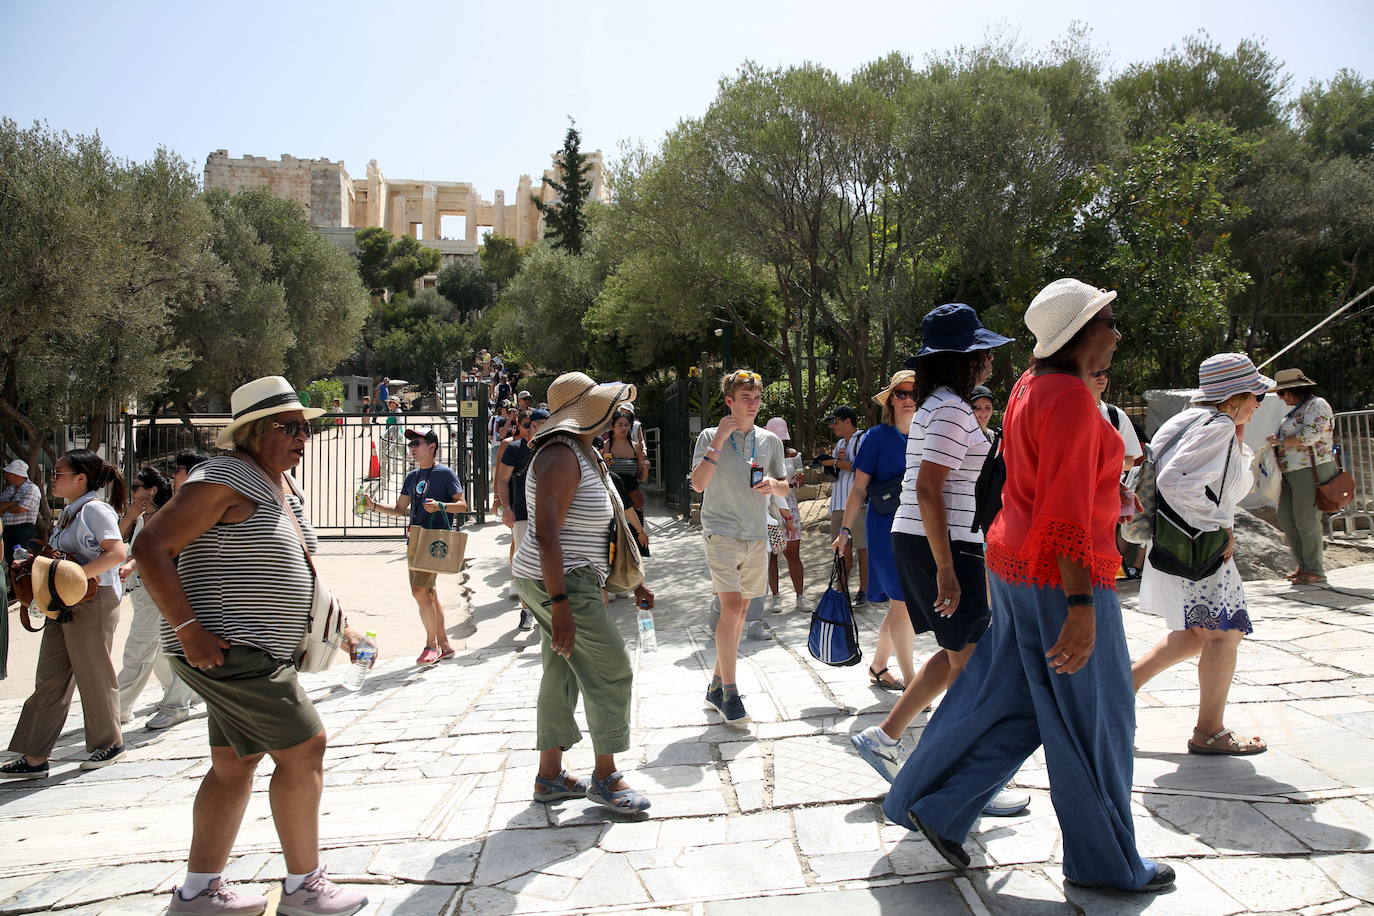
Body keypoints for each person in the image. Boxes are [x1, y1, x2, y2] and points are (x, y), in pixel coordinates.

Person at [883, 279, 1174, 893]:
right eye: (1108, 321)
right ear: (1077, 334)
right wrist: (1079, 604)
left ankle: (935, 803)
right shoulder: (1067, 396)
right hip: (1057, 574)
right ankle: (1107, 864)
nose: (1116, 334)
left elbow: (1046, 483)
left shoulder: (1029, 385)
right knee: (1099, 717)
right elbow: (1064, 510)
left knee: (1016, 704)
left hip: (1015, 562)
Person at [134, 376, 369, 915]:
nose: (302, 438)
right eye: (289, 427)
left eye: (304, 428)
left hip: (246, 649)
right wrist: (189, 629)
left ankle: (198, 893)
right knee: (306, 747)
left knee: (233, 766)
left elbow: (299, 570)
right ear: (255, 432)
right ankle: (304, 887)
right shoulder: (227, 477)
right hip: (229, 650)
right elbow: (150, 544)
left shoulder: (279, 486)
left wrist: (344, 628)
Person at [850, 306, 1028, 818]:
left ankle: (885, 737)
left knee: (960, 656)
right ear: (962, 359)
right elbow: (929, 489)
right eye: (981, 350)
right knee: (976, 672)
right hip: (945, 544)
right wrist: (947, 568)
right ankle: (963, 781)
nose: (990, 358)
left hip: (937, 540)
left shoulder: (937, 404)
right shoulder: (950, 409)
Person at [510, 371, 656, 813]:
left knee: (563, 670)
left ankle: (549, 776)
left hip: (564, 578)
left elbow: (604, 524)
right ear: (588, 411)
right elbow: (548, 535)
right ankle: (605, 776)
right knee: (611, 670)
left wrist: (634, 580)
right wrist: (561, 608)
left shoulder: (584, 452)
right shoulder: (560, 456)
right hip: (561, 581)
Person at [1133, 353, 1271, 756]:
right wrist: (1219, 523)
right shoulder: (1219, 426)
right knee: (1225, 633)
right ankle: (1209, 731)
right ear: (1235, 397)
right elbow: (1177, 482)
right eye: (1255, 394)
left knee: (1194, 634)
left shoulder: (1184, 420)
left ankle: (1121, 689)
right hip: (1201, 546)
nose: (1259, 403)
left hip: (1174, 543)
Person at [1, 449, 128, 779]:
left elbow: (116, 552)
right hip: (65, 601)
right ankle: (34, 758)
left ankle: (109, 742)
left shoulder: (95, 509)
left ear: (80, 478)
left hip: (92, 600)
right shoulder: (73, 511)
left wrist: (74, 578)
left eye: (58, 473)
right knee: (50, 676)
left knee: (93, 672)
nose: (52, 478)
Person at [690, 369, 790, 725]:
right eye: (745, 398)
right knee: (730, 609)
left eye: (757, 398)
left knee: (742, 613)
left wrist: (773, 487)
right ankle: (731, 694)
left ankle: (716, 684)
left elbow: (784, 485)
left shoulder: (769, 441)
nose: (753, 404)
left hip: (757, 532)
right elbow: (698, 485)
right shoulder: (708, 436)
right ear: (730, 401)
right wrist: (720, 438)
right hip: (720, 531)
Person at [831, 372, 917, 692]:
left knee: (900, 604)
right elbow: (858, 489)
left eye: (915, 393)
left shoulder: (926, 435)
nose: (909, 399)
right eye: (902, 394)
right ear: (891, 400)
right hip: (885, 529)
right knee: (903, 603)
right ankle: (912, 682)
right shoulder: (876, 438)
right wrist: (844, 530)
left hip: (919, 530)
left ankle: (879, 666)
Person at [367, 427, 469, 666]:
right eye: (411, 444)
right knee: (428, 592)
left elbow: (463, 505)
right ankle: (444, 645)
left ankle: (430, 646)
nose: (412, 447)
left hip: (433, 539)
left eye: (418, 443)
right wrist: (373, 506)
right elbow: (399, 509)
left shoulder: (445, 473)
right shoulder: (412, 477)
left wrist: (441, 506)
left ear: (432, 446)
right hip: (415, 538)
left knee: (420, 592)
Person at [115, 465, 201, 730]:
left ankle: (117, 708)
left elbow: (155, 552)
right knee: (163, 649)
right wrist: (129, 516)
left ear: (152, 490)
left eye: (136, 487)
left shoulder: (166, 515)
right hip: (140, 591)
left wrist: (132, 564)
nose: (132, 491)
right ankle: (181, 693)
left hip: (157, 589)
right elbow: (116, 542)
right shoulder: (141, 516)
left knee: (138, 649)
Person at [1268, 368, 1338, 585]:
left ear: (1292, 391)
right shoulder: (1298, 409)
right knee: (1287, 517)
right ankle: (1304, 564)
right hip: (1292, 471)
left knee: (1306, 519)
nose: (1281, 398)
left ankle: (1315, 569)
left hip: (1311, 469)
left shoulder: (1317, 405)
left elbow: (1309, 436)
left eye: (1282, 393)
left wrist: (1278, 442)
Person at [500, 409, 549, 630]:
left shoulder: (552, 449)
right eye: (542, 424)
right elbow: (502, 481)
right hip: (521, 515)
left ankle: (546, 609)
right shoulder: (514, 449)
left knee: (550, 563)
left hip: (550, 515)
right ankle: (527, 610)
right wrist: (506, 508)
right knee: (523, 565)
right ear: (532, 426)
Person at [821, 406, 869, 606]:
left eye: (836, 421)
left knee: (863, 549)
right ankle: (841, 591)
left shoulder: (862, 439)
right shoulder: (840, 443)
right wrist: (829, 464)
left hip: (858, 505)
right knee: (841, 549)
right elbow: (835, 474)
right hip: (838, 504)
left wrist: (835, 462)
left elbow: (861, 467)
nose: (832, 426)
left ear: (848, 421)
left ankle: (864, 591)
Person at [764, 418, 805, 613]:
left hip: (789, 504)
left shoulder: (794, 456)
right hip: (770, 507)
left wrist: (798, 480)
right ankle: (776, 597)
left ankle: (800, 596)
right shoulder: (764, 454)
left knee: (793, 554)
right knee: (772, 554)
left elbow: (795, 480)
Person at [1, 459, 42, 588]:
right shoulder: (11, 489)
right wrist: (13, 503)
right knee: (10, 559)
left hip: (23, 531)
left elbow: (20, 510)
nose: (6, 475)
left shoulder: (32, 490)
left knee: (22, 560)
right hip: (9, 530)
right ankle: (16, 588)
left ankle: (24, 588)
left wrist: (7, 506)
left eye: (9, 473)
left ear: (17, 474)